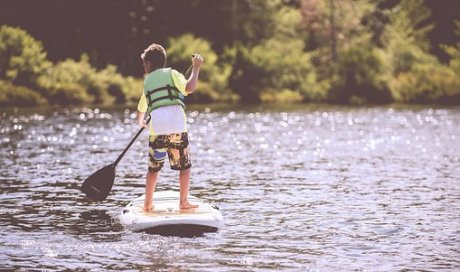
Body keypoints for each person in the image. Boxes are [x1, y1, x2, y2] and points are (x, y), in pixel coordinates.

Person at [136, 43, 203, 211]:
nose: (144, 67)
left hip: (157, 129)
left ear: (149, 64)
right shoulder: (173, 73)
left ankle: (147, 204)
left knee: (153, 169)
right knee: (185, 167)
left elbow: (141, 108)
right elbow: (190, 88)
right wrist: (196, 68)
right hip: (177, 127)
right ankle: (183, 202)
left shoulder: (147, 82)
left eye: (144, 64)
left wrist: (141, 122)